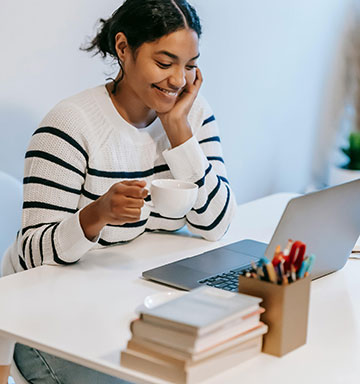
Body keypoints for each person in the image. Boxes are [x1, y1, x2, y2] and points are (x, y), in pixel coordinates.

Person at [0, 0, 237, 382]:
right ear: (124, 49)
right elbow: (31, 255)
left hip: (125, 306)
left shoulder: (191, 113)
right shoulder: (71, 125)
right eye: (164, 63)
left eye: (190, 65)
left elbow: (217, 223)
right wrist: (96, 215)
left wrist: (178, 130)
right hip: (43, 323)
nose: (178, 80)